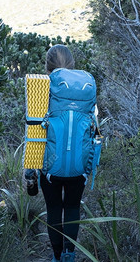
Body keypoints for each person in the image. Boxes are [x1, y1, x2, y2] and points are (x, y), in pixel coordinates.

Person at [40, 44, 94, 262]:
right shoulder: (86, 87)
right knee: (72, 207)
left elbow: (32, 131)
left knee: (54, 208)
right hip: (79, 164)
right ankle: (69, 255)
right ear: (72, 65)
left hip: (50, 165)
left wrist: (30, 171)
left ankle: (56, 257)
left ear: (47, 67)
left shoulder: (43, 89)